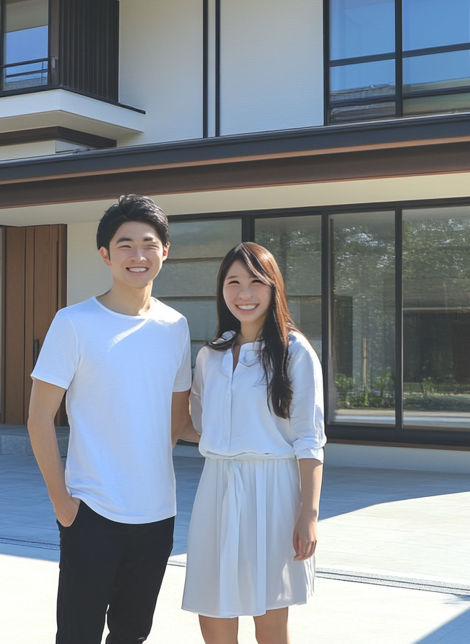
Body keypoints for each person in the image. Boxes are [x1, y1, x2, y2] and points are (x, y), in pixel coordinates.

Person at [28, 194, 192, 644]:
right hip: (90, 510)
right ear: (105, 254)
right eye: (125, 245)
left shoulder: (175, 327)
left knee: (132, 634)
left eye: (148, 243)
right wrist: (62, 502)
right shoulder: (74, 322)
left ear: (165, 250)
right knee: (77, 635)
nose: (137, 255)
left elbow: (177, 422)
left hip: (158, 513)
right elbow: (39, 417)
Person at [178, 242, 326, 644]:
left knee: (270, 618)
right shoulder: (211, 355)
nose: (245, 293)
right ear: (222, 289)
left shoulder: (295, 352)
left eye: (256, 282)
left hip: (274, 490)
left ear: (274, 287)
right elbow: (197, 426)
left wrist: (307, 515)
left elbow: (309, 439)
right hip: (217, 486)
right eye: (234, 282)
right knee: (212, 609)